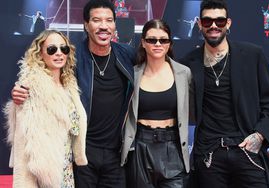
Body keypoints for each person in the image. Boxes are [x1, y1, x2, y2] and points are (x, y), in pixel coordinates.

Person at [11, 0, 135, 187]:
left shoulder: (127, 55)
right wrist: (21, 90)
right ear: (86, 25)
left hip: (116, 155)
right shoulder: (73, 57)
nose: (103, 26)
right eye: (96, 20)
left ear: (114, 24)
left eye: (109, 20)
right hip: (81, 154)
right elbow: (44, 75)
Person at [179, 0, 269, 187]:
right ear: (199, 24)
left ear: (228, 23)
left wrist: (259, 136)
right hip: (209, 154)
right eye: (207, 21)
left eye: (220, 21)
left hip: (246, 149)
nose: (214, 26)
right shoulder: (188, 63)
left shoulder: (252, 55)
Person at [3, 30, 88, 188]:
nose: (59, 53)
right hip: (43, 175)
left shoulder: (69, 85)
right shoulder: (30, 87)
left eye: (64, 49)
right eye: (51, 49)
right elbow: (23, 143)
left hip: (66, 170)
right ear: (40, 53)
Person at [121, 19, 192, 188]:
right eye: (152, 40)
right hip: (140, 146)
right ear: (143, 43)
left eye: (163, 40)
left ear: (169, 44)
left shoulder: (183, 73)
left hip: (173, 146)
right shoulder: (133, 74)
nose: (158, 44)